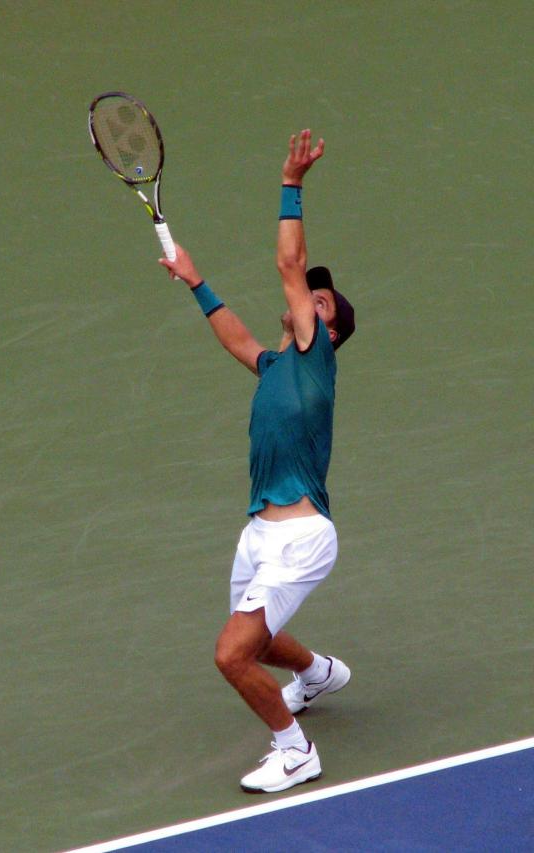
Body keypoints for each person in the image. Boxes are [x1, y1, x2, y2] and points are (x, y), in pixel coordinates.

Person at [159, 129, 356, 794]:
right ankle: (318, 673)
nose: (308, 296)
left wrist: (292, 184)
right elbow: (237, 337)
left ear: (326, 332)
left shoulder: (315, 356)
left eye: (319, 301)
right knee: (262, 643)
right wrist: (196, 281)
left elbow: (288, 266)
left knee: (231, 653)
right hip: (260, 533)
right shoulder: (276, 366)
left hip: (301, 536)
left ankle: (295, 749)